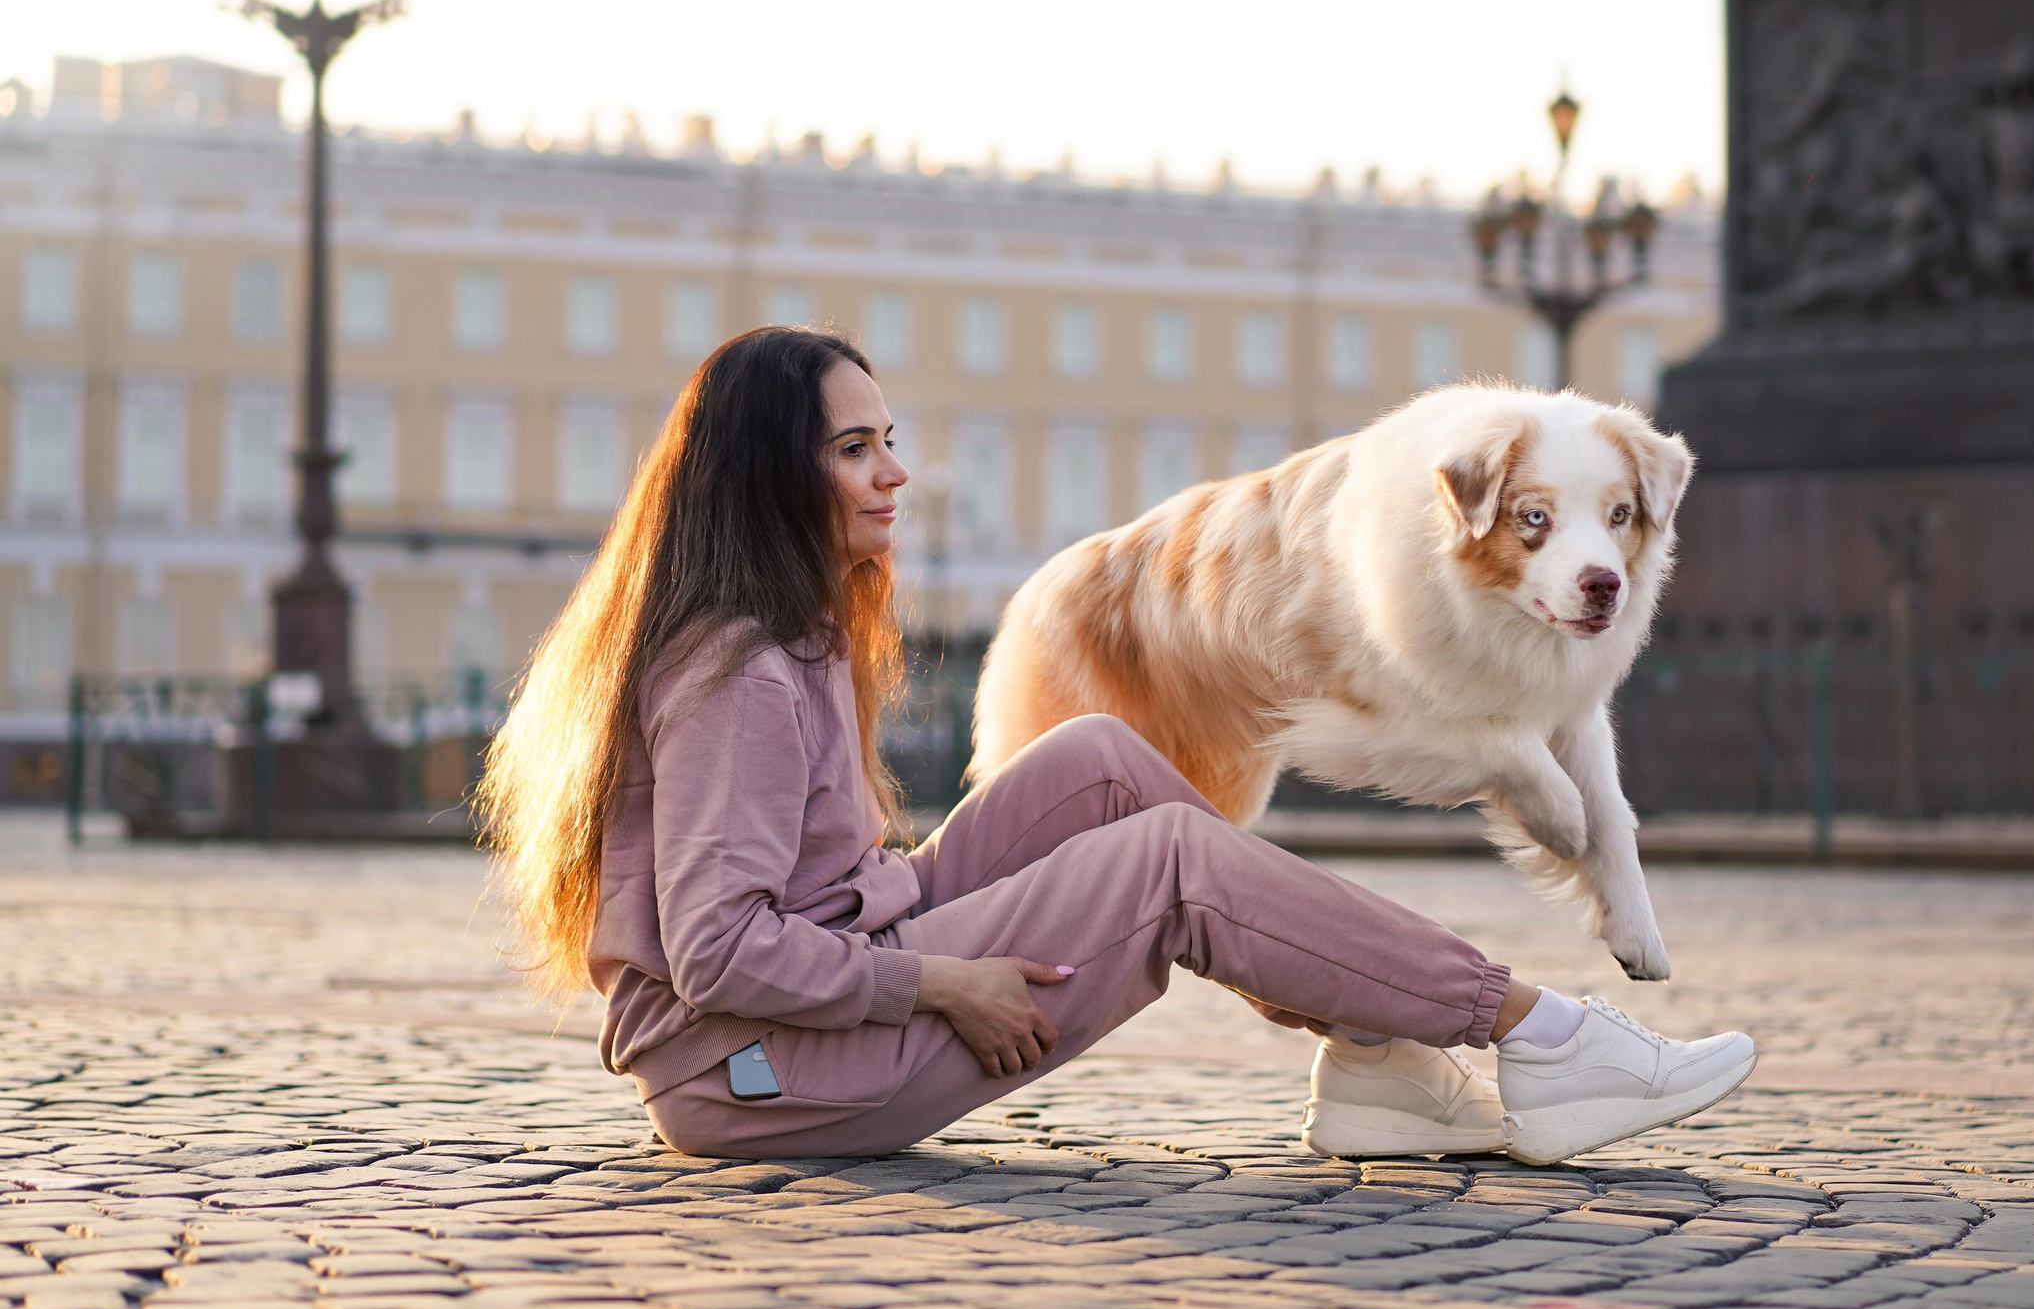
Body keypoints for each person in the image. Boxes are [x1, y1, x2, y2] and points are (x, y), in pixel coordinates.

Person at [476, 326, 1753, 1165]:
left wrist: (915, 926)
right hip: (752, 1071)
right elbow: (713, 949)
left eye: (889, 441)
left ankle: (1374, 1063)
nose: (892, 473)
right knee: (1172, 870)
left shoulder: (790, 631)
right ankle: (1536, 1034)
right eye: (854, 449)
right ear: (769, 478)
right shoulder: (744, 668)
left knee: (1103, 759)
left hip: (842, 964)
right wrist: (937, 983)